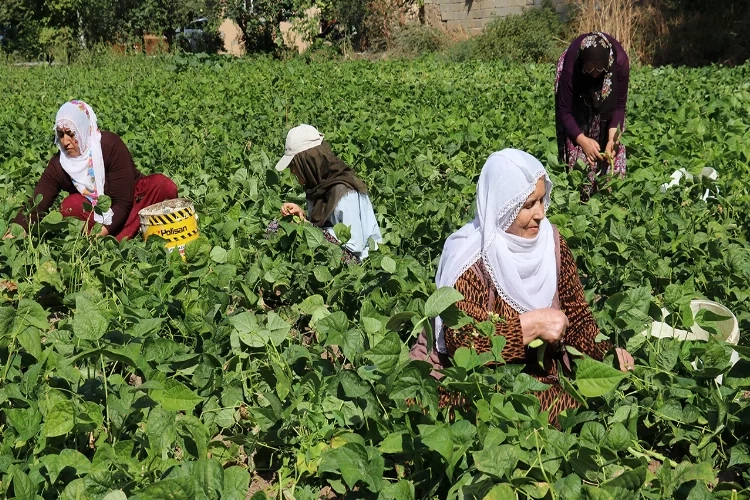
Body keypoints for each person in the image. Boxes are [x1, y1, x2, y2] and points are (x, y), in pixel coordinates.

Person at [417, 149, 633, 427]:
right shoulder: (470, 260)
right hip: (484, 383)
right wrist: (529, 326)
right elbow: (463, 342)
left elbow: (578, 318)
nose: (541, 214)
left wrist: (606, 355)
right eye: (528, 204)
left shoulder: (551, 244)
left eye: (542, 200)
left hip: (540, 378)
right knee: (473, 418)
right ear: (502, 207)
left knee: (567, 415)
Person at [6, 100, 178, 241]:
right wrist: (14, 232)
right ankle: (140, 230)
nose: (65, 142)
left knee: (162, 186)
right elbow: (37, 203)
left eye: (70, 133)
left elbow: (123, 203)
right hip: (97, 215)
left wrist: (97, 236)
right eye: (60, 134)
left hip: (132, 205)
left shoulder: (109, 146)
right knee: (69, 207)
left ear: (83, 129)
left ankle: (128, 233)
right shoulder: (59, 164)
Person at [275, 124, 382, 261]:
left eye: (293, 166)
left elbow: (354, 245)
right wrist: (302, 216)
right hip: (335, 249)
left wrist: (306, 226)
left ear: (306, 164)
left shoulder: (344, 193)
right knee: (277, 226)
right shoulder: (317, 186)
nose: (292, 172)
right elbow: (326, 225)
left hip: (360, 260)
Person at [555, 32, 630, 200]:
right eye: (590, 69)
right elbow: (564, 111)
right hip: (577, 85)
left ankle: (609, 194)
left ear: (608, 63)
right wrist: (582, 140)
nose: (595, 74)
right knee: (580, 143)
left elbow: (619, 106)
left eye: (600, 69)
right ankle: (582, 194)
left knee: (613, 146)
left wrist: (612, 137)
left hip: (609, 80)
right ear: (583, 65)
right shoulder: (571, 67)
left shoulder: (619, 62)